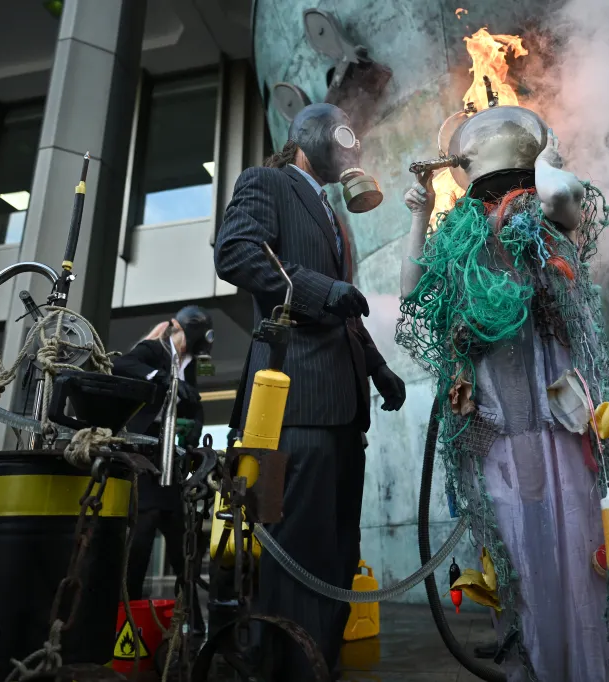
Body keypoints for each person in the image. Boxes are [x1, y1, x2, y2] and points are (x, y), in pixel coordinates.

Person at [397, 120, 609, 680]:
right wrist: (420, 214)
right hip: (499, 430)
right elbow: (411, 292)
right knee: (520, 558)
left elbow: (558, 194)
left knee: (583, 549)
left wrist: (548, 153)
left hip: (569, 427)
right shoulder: (463, 238)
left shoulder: (546, 219)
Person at [214, 103, 407, 680]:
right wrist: (321, 289)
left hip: (344, 409)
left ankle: (319, 662)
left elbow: (344, 309)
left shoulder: (333, 216)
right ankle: (283, 668)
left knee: (336, 549)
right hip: (293, 400)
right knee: (295, 545)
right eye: (342, 134)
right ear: (308, 138)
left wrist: (376, 368)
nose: (351, 145)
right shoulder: (266, 183)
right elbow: (236, 252)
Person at [112, 305, 214, 635]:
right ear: (179, 330)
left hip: (173, 460)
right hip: (145, 456)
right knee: (141, 536)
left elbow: (194, 403)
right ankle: (127, 617)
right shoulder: (154, 350)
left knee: (181, 541)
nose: (188, 350)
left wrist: (194, 427)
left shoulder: (190, 364)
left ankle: (192, 620)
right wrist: (165, 378)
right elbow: (120, 365)